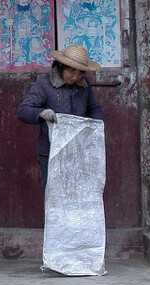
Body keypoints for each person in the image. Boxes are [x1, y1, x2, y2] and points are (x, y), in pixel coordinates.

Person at [15, 44, 104, 201]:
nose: (75, 77)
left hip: (79, 151)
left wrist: (95, 125)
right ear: (61, 66)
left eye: (80, 73)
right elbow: (23, 111)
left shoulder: (84, 86)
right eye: (72, 71)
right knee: (55, 199)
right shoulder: (44, 85)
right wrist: (41, 113)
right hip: (51, 152)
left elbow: (94, 108)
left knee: (78, 197)